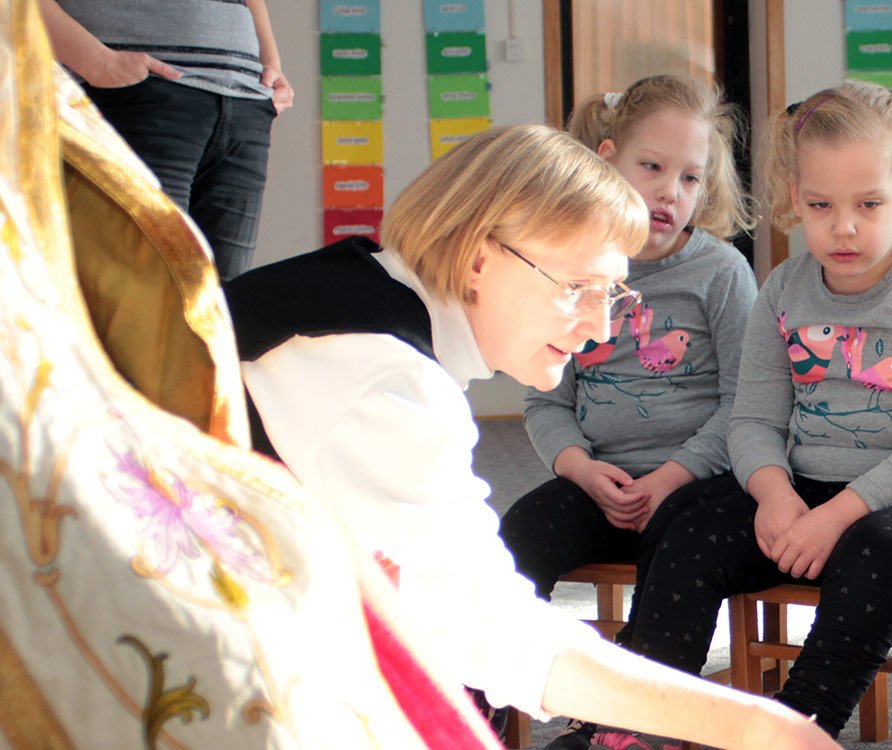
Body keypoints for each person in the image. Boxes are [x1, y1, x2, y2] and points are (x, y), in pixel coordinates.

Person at [224, 123, 836, 750]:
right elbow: (495, 633)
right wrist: (752, 724)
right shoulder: (386, 378)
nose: (601, 330)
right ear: (479, 259)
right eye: (578, 289)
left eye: (612, 294)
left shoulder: (350, 287)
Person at [618, 80, 892, 740]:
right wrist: (774, 494)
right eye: (821, 205)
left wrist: (835, 517)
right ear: (795, 198)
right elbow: (753, 420)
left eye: (868, 204)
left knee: (874, 551)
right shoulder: (783, 287)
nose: (843, 226)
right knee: (685, 519)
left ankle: (794, 728)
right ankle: (638, 718)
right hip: (807, 491)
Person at [495, 74, 761, 749]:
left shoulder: (721, 272)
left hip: (696, 491)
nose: (671, 191)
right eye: (652, 167)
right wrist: (580, 469)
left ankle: (629, 729)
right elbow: (546, 399)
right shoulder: (572, 265)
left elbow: (748, 404)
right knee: (519, 532)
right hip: (601, 485)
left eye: (690, 178)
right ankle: (468, 709)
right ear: (607, 159)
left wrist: (673, 476)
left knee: (685, 555)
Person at [37, 0, 290, 280]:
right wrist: (96, 61)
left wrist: (270, 61)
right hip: (142, 94)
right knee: (143, 285)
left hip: (246, 101)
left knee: (226, 297)